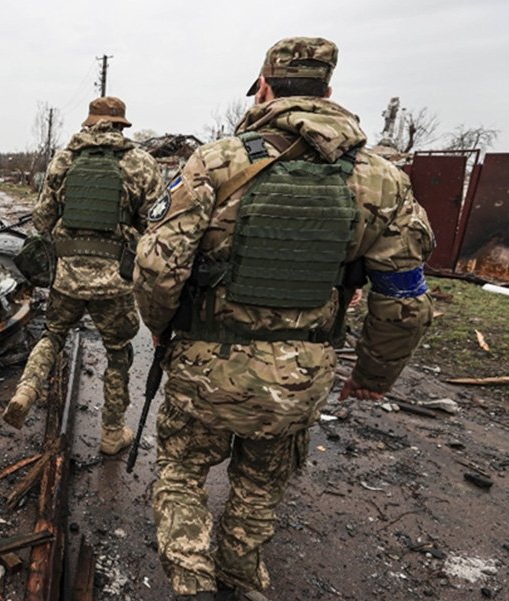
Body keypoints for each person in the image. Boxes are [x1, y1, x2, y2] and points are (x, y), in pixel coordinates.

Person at [133, 37, 433, 600]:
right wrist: (372, 376)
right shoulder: (381, 178)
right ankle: (243, 573)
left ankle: (191, 580)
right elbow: (405, 299)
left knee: (180, 473)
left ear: (265, 87)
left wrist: (159, 323)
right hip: (300, 375)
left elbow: (156, 266)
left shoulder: (217, 161)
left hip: (204, 370)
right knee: (260, 485)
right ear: (329, 90)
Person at [2, 96, 164, 455]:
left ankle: (26, 389)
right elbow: (156, 224)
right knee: (119, 353)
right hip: (115, 283)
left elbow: (41, 221)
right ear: (122, 126)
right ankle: (111, 433)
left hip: (67, 279)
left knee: (53, 335)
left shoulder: (64, 159)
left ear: (88, 124)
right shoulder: (140, 163)